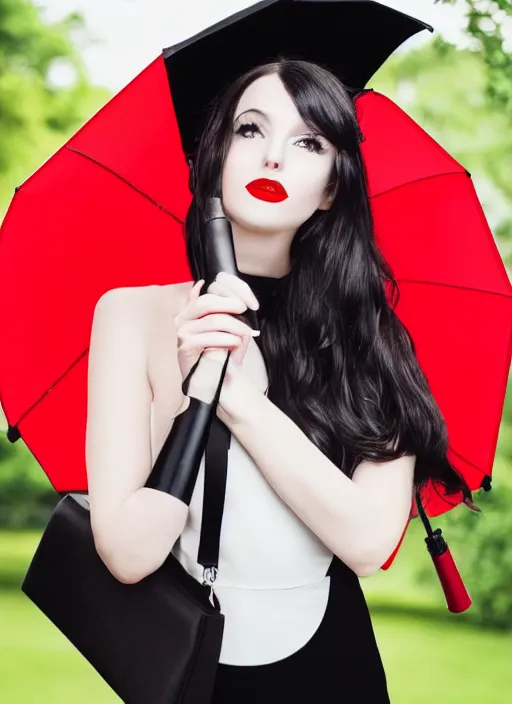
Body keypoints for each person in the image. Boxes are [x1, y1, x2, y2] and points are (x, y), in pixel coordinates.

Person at [85, 58, 473, 702]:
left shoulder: (369, 336)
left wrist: (244, 404)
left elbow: (368, 544)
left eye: (308, 141)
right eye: (250, 130)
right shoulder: (131, 314)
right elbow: (128, 554)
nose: (273, 158)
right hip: (188, 665)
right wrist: (197, 394)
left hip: (332, 665)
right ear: (212, 159)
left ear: (330, 186)